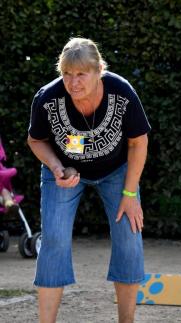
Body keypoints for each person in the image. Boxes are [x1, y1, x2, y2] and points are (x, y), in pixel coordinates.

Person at [28, 37, 150, 323]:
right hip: (64, 173)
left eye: (81, 74)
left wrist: (130, 196)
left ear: (99, 71)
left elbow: (138, 143)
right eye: (67, 74)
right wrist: (57, 167)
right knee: (54, 240)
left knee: (129, 238)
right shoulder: (47, 98)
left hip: (117, 172)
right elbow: (35, 140)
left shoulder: (122, 93)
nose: (74, 82)